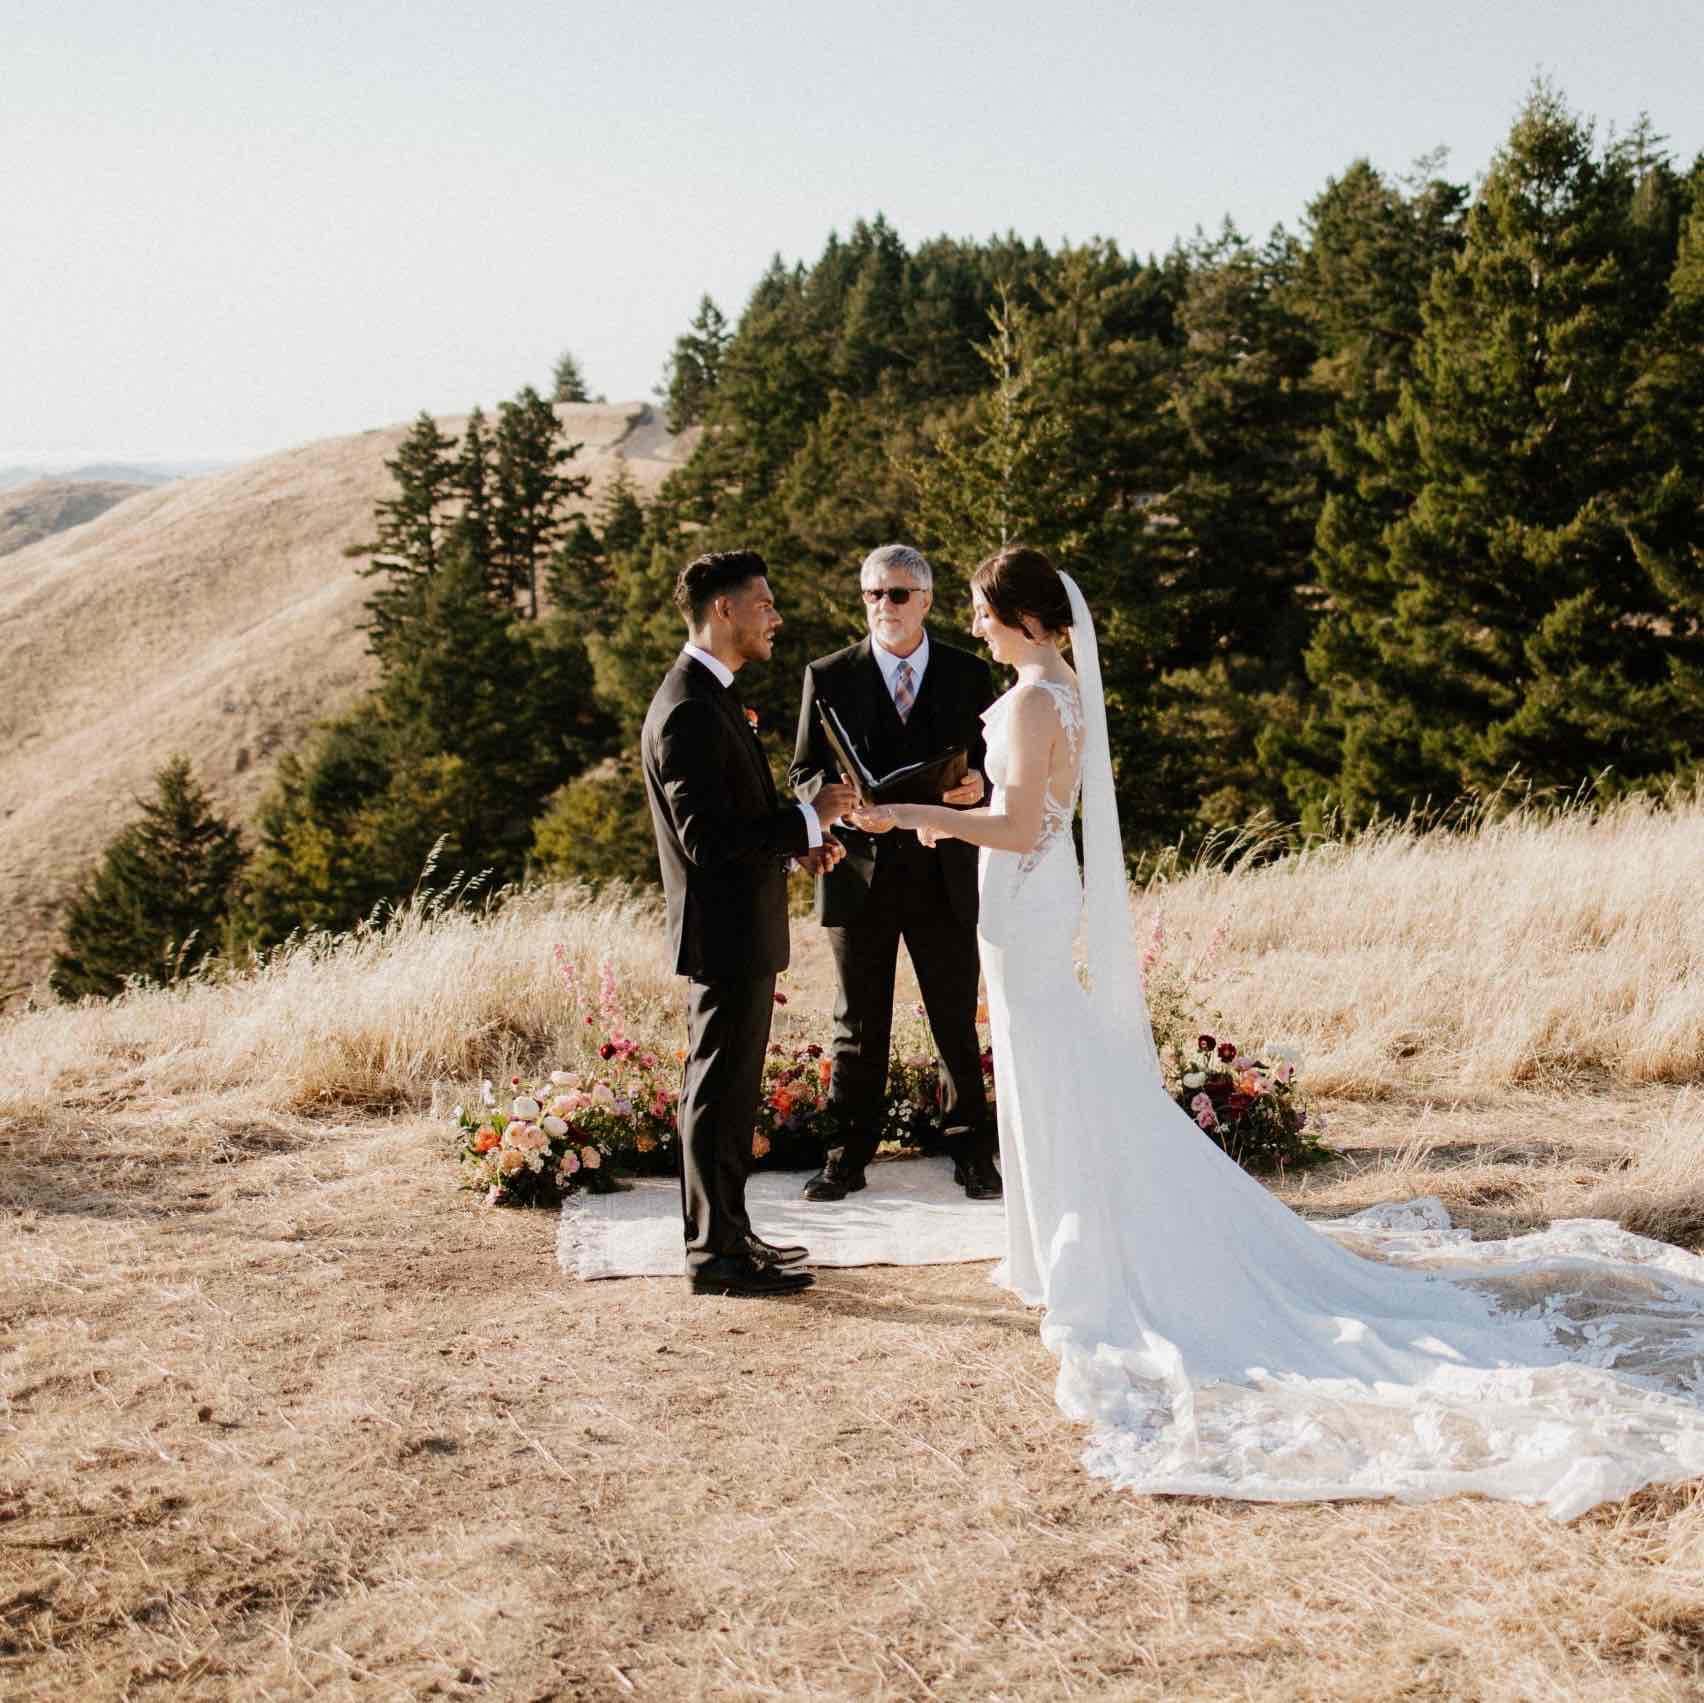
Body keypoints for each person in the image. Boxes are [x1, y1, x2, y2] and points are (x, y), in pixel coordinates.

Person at [852, 544, 1704, 1517]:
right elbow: (1023, 807)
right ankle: (1049, 1238)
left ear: (1031, 618)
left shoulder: (1040, 697)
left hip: (1027, 895)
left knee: (1055, 1064)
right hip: (1027, 898)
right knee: (1049, 1064)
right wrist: (958, 807)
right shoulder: (1052, 692)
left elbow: (1017, 827)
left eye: (983, 610)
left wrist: (911, 810)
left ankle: (1077, 1245)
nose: (975, 622)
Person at [641, 550, 858, 1297]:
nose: (776, 615)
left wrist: (798, 844)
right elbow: (706, 839)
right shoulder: (689, 707)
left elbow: (737, 821)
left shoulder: (715, 695)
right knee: (715, 1089)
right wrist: (809, 814)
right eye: (764, 602)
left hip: (743, 928)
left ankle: (732, 1234)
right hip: (724, 935)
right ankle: (714, 1255)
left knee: (732, 1092)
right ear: (723, 609)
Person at [789, 544, 1001, 1203]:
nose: (885, 606)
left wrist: (978, 784)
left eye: (898, 594)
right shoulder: (827, 674)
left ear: (928, 601)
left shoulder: (970, 674)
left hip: (946, 870)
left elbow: (997, 768)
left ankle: (971, 1151)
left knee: (954, 1019)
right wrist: (842, 808)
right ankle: (845, 1156)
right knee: (857, 1021)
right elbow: (802, 771)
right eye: (873, 595)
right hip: (860, 872)